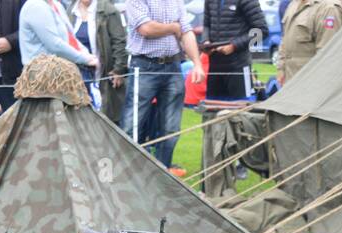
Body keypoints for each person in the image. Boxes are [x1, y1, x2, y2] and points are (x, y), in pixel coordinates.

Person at [120, 0, 204, 169]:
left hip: (173, 67)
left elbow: (186, 31)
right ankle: (129, 176)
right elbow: (146, 29)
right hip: (144, 66)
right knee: (132, 127)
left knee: (171, 129)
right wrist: (173, 28)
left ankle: (161, 174)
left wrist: (197, 64)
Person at [71, 0, 127, 123]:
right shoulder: (70, 11)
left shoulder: (108, 10)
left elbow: (119, 42)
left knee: (104, 120)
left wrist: (119, 69)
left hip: (103, 75)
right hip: (75, 78)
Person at [201, 0, 267, 100]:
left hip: (238, 66)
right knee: (212, 112)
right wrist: (205, 41)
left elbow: (261, 31)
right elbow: (206, 24)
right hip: (215, 66)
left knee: (241, 112)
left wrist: (234, 46)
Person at [277, 0, 342, 85]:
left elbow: (328, 54)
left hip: (311, 83)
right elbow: (285, 40)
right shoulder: (293, 4)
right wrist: (281, 69)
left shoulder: (329, 8)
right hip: (290, 81)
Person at [18, 0, 97, 69]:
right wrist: (85, 59)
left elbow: (69, 37)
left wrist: (86, 53)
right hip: (41, 76)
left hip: (61, 71)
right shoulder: (35, 6)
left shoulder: (56, 5)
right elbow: (54, 45)